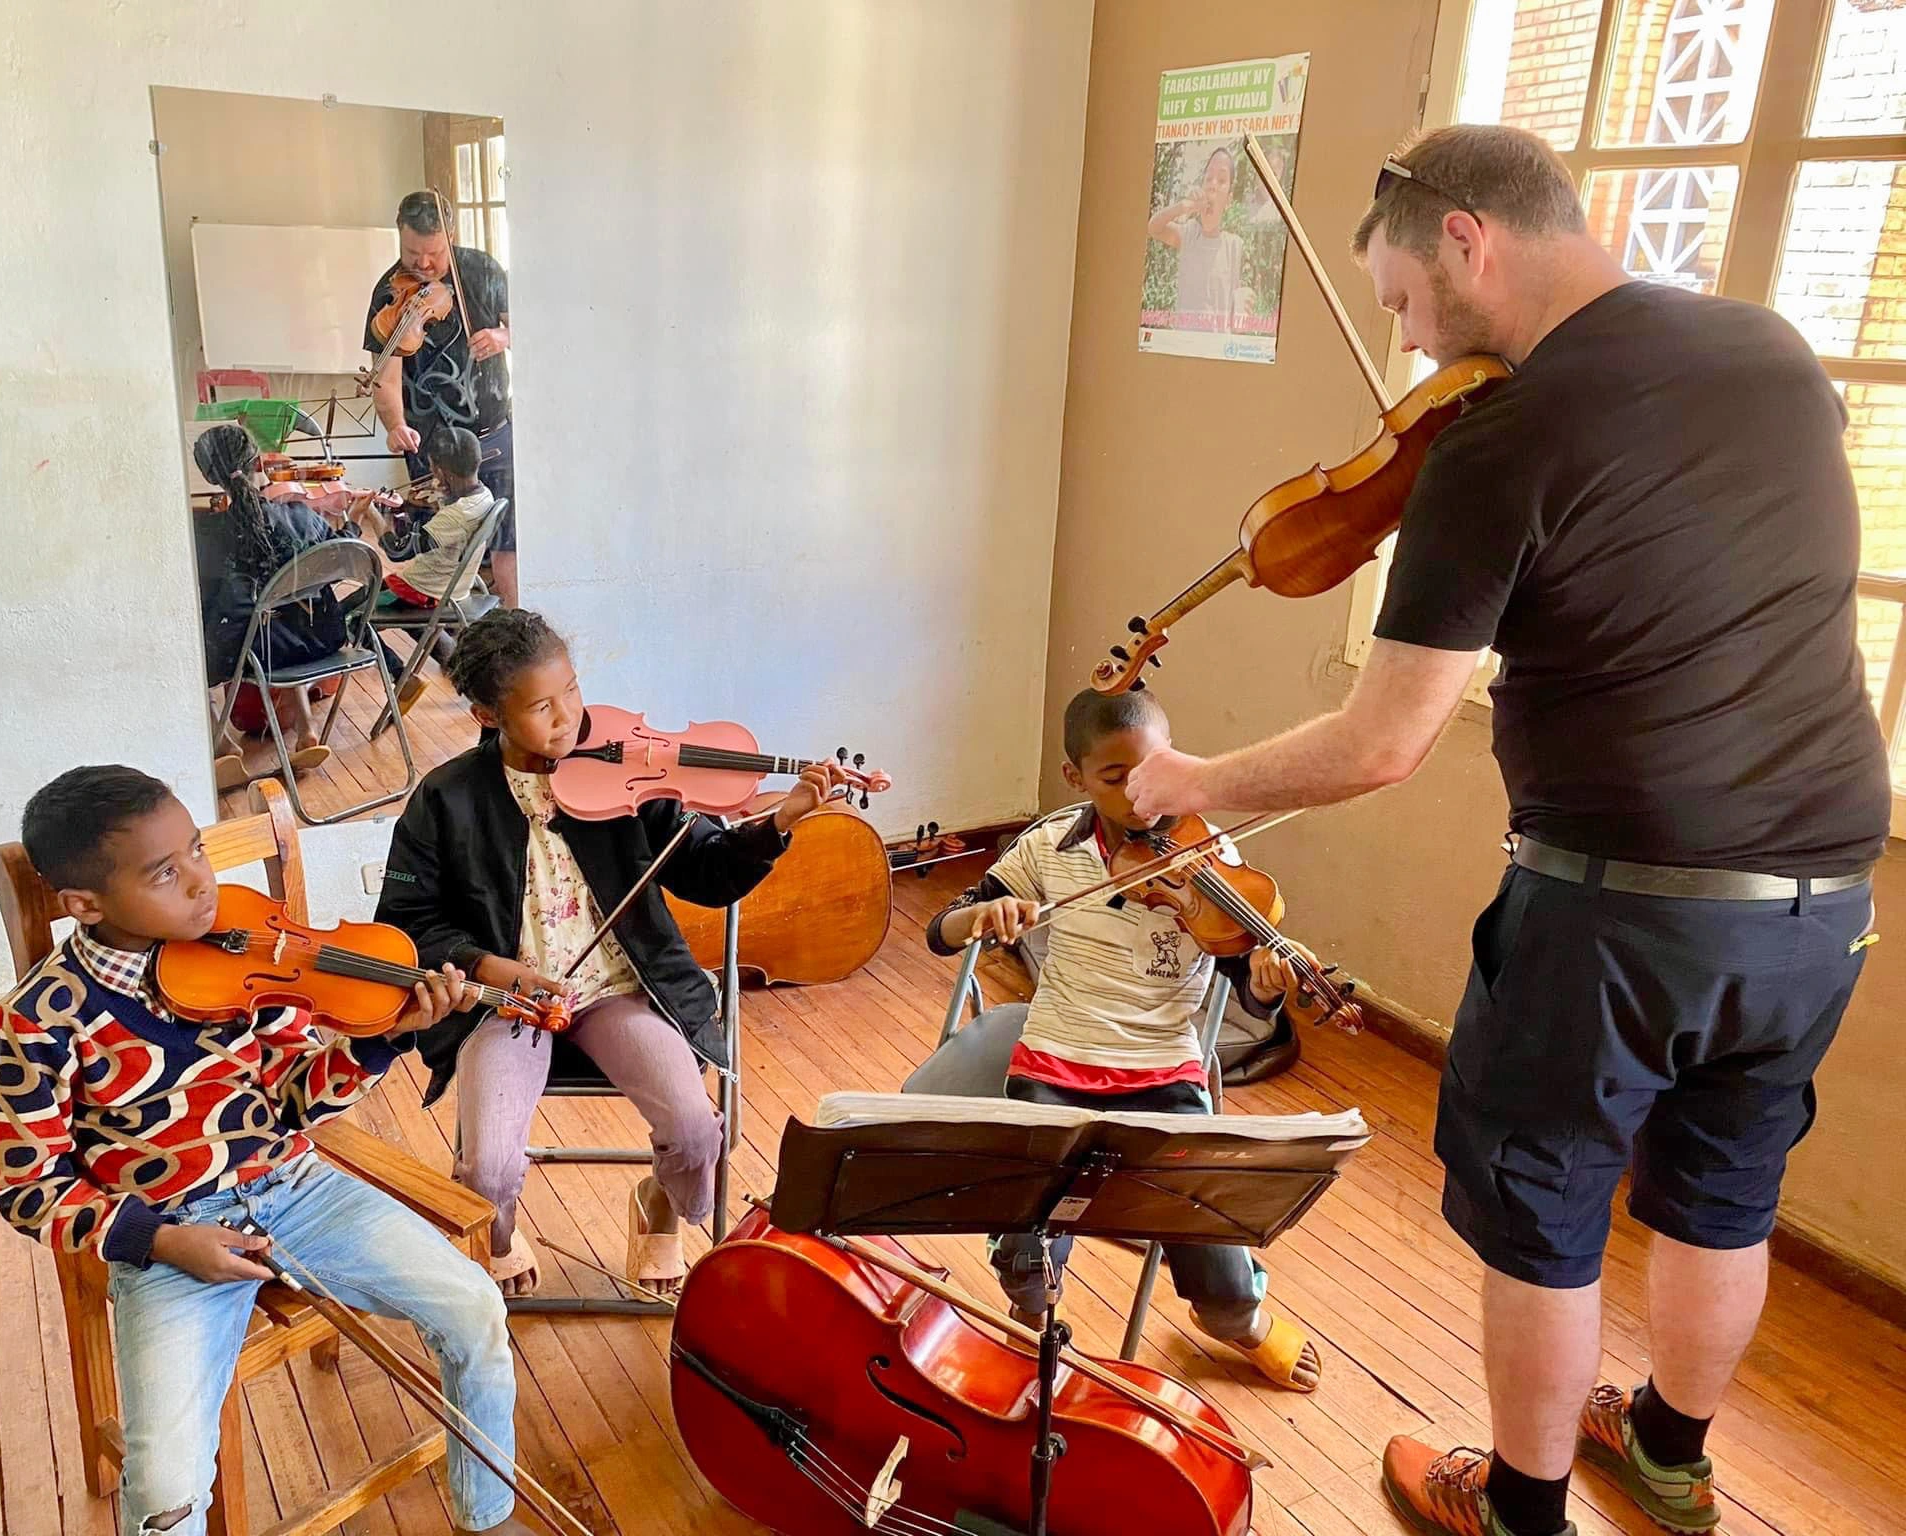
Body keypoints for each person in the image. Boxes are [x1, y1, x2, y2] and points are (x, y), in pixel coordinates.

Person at [1125, 124, 1888, 1536]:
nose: (1410, 349)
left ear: (1468, 236)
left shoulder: (1503, 441)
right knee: (1727, 1193)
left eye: (1405, 303)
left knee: (1542, 1212)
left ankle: (1522, 1509)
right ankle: (1667, 1455)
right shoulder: (1774, 356)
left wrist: (1196, 782)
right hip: (1822, 893)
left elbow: (1380, 744)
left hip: (1620, 904)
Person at [0, 766, 544, 1535]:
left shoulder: (250, 954)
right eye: (165, 873)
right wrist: (166, 1241)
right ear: (85, 904)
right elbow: (29, 1189)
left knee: (475, 1306)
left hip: (294, 1187)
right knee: (165, 1488)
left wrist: (384, 1039)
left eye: (198, 852)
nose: (202, 886)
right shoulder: (36, 1023)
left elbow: (295, 1099)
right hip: (171, 1237)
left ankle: (488, 1515)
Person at [375, 609, 836, 1297]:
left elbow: (709, 873)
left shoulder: (621, 773)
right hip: (504, 1005)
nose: (569, 718)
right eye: (541, 707)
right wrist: (491, 967)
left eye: (573, 692)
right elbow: (407, 923)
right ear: (486, 714)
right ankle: (497, 1234)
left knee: (694, 1132)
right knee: (487, 1172)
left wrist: (780, 820)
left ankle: (658, 1205)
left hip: (616, 989)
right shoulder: (445, 799)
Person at [906, 687, 1324, 1393]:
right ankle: (1032, 1318)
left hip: (1162, 1073)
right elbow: (943, 928)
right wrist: (982, 917)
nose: (1141, 797)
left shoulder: (1208, 852)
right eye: (1114, 779)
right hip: (1055, 1063)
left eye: (1154, 770)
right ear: (1075, 777)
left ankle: (1235, 1319)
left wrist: (1267, 981)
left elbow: (1241, 981)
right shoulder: (1048, 845)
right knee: (1029, 1227)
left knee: (1205, 1220)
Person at [193, 424, 419, 791]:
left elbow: (207, 599)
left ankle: (224, 746)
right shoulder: (301, 516)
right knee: (291, 609)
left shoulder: (207, 532)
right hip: (322, 640)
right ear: (258, 464)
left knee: (193, 650)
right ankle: (306, 729)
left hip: (258, 652)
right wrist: (353, 524)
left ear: (208, 476)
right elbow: (344, 553)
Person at [364, 191, 517, 602]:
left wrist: (503, 336)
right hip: (435, 448)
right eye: (412, 252)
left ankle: (514, 628)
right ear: (400, 235)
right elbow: (387, 378)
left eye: (433, 252)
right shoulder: (390, 293)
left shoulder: (482, 269)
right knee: (440, 548)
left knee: (510, 541)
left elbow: (526, 324)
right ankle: (457, 637)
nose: (423, 264)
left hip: (494, 434)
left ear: (451, 235)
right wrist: (395, 424)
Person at [357, 423, 498, 613]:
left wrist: (371, 511)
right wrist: (422, 505)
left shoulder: (457, 515)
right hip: (454, 587)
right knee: (373, 600)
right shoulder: (484, 495)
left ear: (440, 472)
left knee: (348, 611)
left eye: (432, 468)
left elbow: (397, 551)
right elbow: (440, 530)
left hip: (425, 591)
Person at [1147, 143, 1245, 331]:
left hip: (1216, 350)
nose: (1212, 186)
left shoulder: (1234, 245)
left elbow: (1238, 299)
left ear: (1229, 200)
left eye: (1221, 180)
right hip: (1185, 346)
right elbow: (1154, 227)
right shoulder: (1189, 235)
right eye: (1208, 179)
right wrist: (1183, 206)